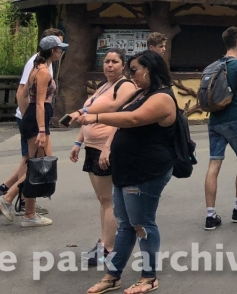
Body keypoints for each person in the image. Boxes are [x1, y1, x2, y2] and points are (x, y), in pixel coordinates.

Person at [81, 51, 177, 294]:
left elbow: (133, 119)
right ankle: (113, 275)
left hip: (146, 171)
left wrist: (94, 117)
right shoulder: (139, 92)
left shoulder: (162, 97)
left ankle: (149, 277)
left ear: (149, 70)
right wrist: (83, 116)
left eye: (133, 69)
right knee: (125, 225)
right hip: (126, 169)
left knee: (142, 223)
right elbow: (117, 110)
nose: (130, 74)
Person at [69, 48, 137, 266]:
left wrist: (108, 147)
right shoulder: (102, 86)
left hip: (107, 148)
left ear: (123, 65)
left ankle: (108, 247)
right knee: (103, 200)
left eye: (115, 62)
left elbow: (119, 115)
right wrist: (78, 142)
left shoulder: (125, 86)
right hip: (92, 146)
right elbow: (88, 113)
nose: (109, 65)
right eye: (107, 61)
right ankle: (104, 242)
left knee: (108, 200)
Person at [0, 34, 68, 226]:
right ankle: (8, 198)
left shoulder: (36, 68)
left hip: (31, 116)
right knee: (40, 165)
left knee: (34, 163)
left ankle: (29, 212)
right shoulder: (43, 72)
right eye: (60, 48)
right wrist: (41, 128)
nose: (61, 52)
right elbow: (41, 102)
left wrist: (28, 116)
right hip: (38, 117)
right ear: (53, 51)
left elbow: (25, 94)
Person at [204, 26, 237, 230]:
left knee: (214, 164)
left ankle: (210, 215)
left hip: (215, 120)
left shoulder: (214, 65)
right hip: (233, 120)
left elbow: (226, 93)